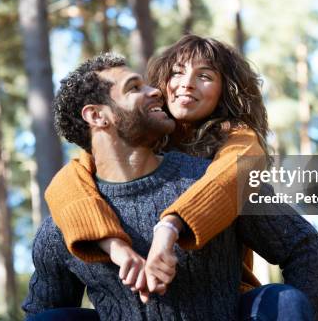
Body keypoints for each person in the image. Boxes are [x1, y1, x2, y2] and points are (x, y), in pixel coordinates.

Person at [23, 54, 318, 320]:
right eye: (134, 87)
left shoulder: (216, 180)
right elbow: (41, 307)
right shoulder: (66, 220)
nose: (155, 90)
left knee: (284, 302)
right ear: (96, 116)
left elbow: (304, 248)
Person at [46, 36, 271, 298]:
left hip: (225, 296)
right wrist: (113, 244)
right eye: (177, 73)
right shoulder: (147, 136)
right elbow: (65, 184)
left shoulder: (239, 138)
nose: (187, 83)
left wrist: (170, 227)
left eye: (205, 76)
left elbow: (234, 174)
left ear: (225, 91)